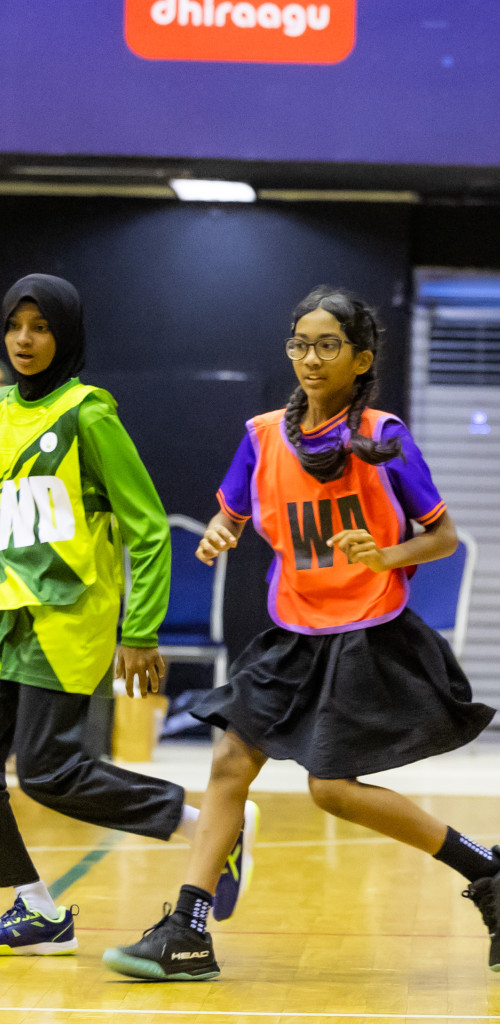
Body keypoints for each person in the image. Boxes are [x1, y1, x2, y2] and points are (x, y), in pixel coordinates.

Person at [103, 286, 500, 981]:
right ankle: (187, 928)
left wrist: (388, 554)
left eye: (327, 345)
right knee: (227, 765)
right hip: (291, 634)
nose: (310, 358)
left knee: (331, 789)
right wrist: (220, 532)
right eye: (300, 344)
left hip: (365, 635)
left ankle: (493, 868)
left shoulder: (386, 438)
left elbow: (443, 537)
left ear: (360, 358)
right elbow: (234, 515)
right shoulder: (261, 435)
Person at [0, 274, 247, 957]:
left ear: (66, 335)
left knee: (48, 770)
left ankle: (208, 825)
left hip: (65, 620)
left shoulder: (89, 415)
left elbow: (146, 530)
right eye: (15, 324)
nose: (25, 339)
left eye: (40, 326)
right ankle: (35, 910)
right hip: (5, 621)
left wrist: (140, 631)